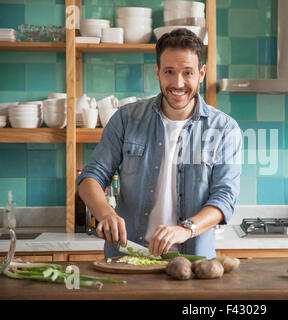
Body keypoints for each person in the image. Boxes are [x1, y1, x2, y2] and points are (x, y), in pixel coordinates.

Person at [77, 28, 242, 259]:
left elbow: (224, 197)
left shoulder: (224, 129)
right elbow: (90, 177)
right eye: (169, 72)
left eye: (188, 73)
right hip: (128, 257)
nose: (178, 83)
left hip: (191, 262)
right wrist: (105, 214)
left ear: (201, 73)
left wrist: (187, 229)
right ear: (157, 72)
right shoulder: (126, 119)